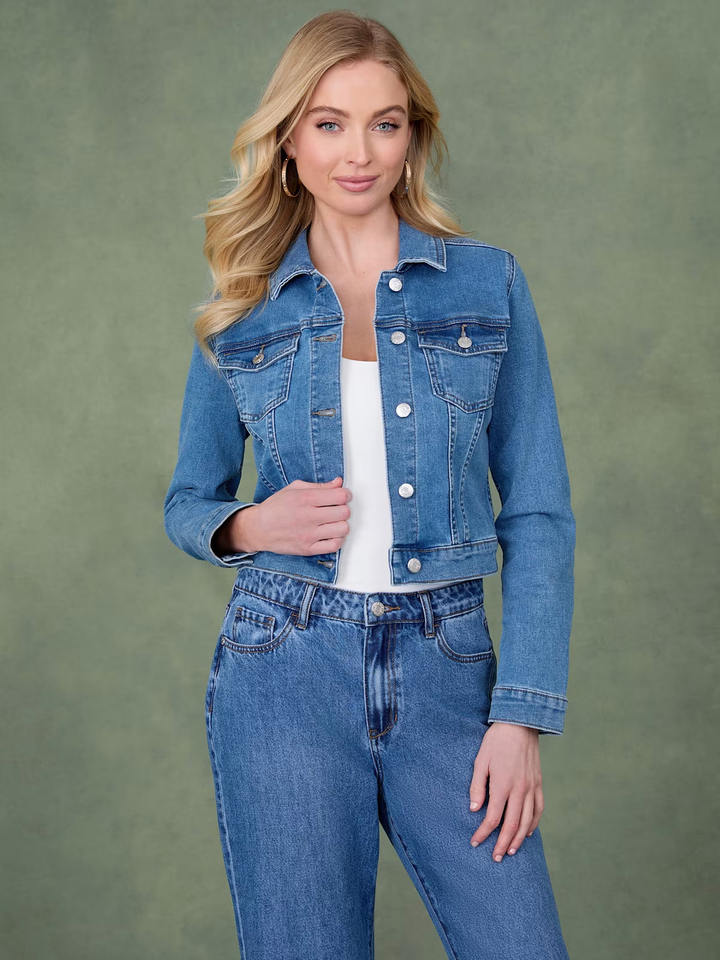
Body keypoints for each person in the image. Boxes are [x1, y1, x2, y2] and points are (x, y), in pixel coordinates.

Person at [163, 11, 576, 959]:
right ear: (288, 141)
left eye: (385, 124)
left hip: (449, 666)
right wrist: (251, 527)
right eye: (330, 124)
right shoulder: (242, 307)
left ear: (411, 136)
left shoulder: (487, 286)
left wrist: (520, 713)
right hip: (282, 670)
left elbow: (539, 513)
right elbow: (189, 503)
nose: (360, 153)